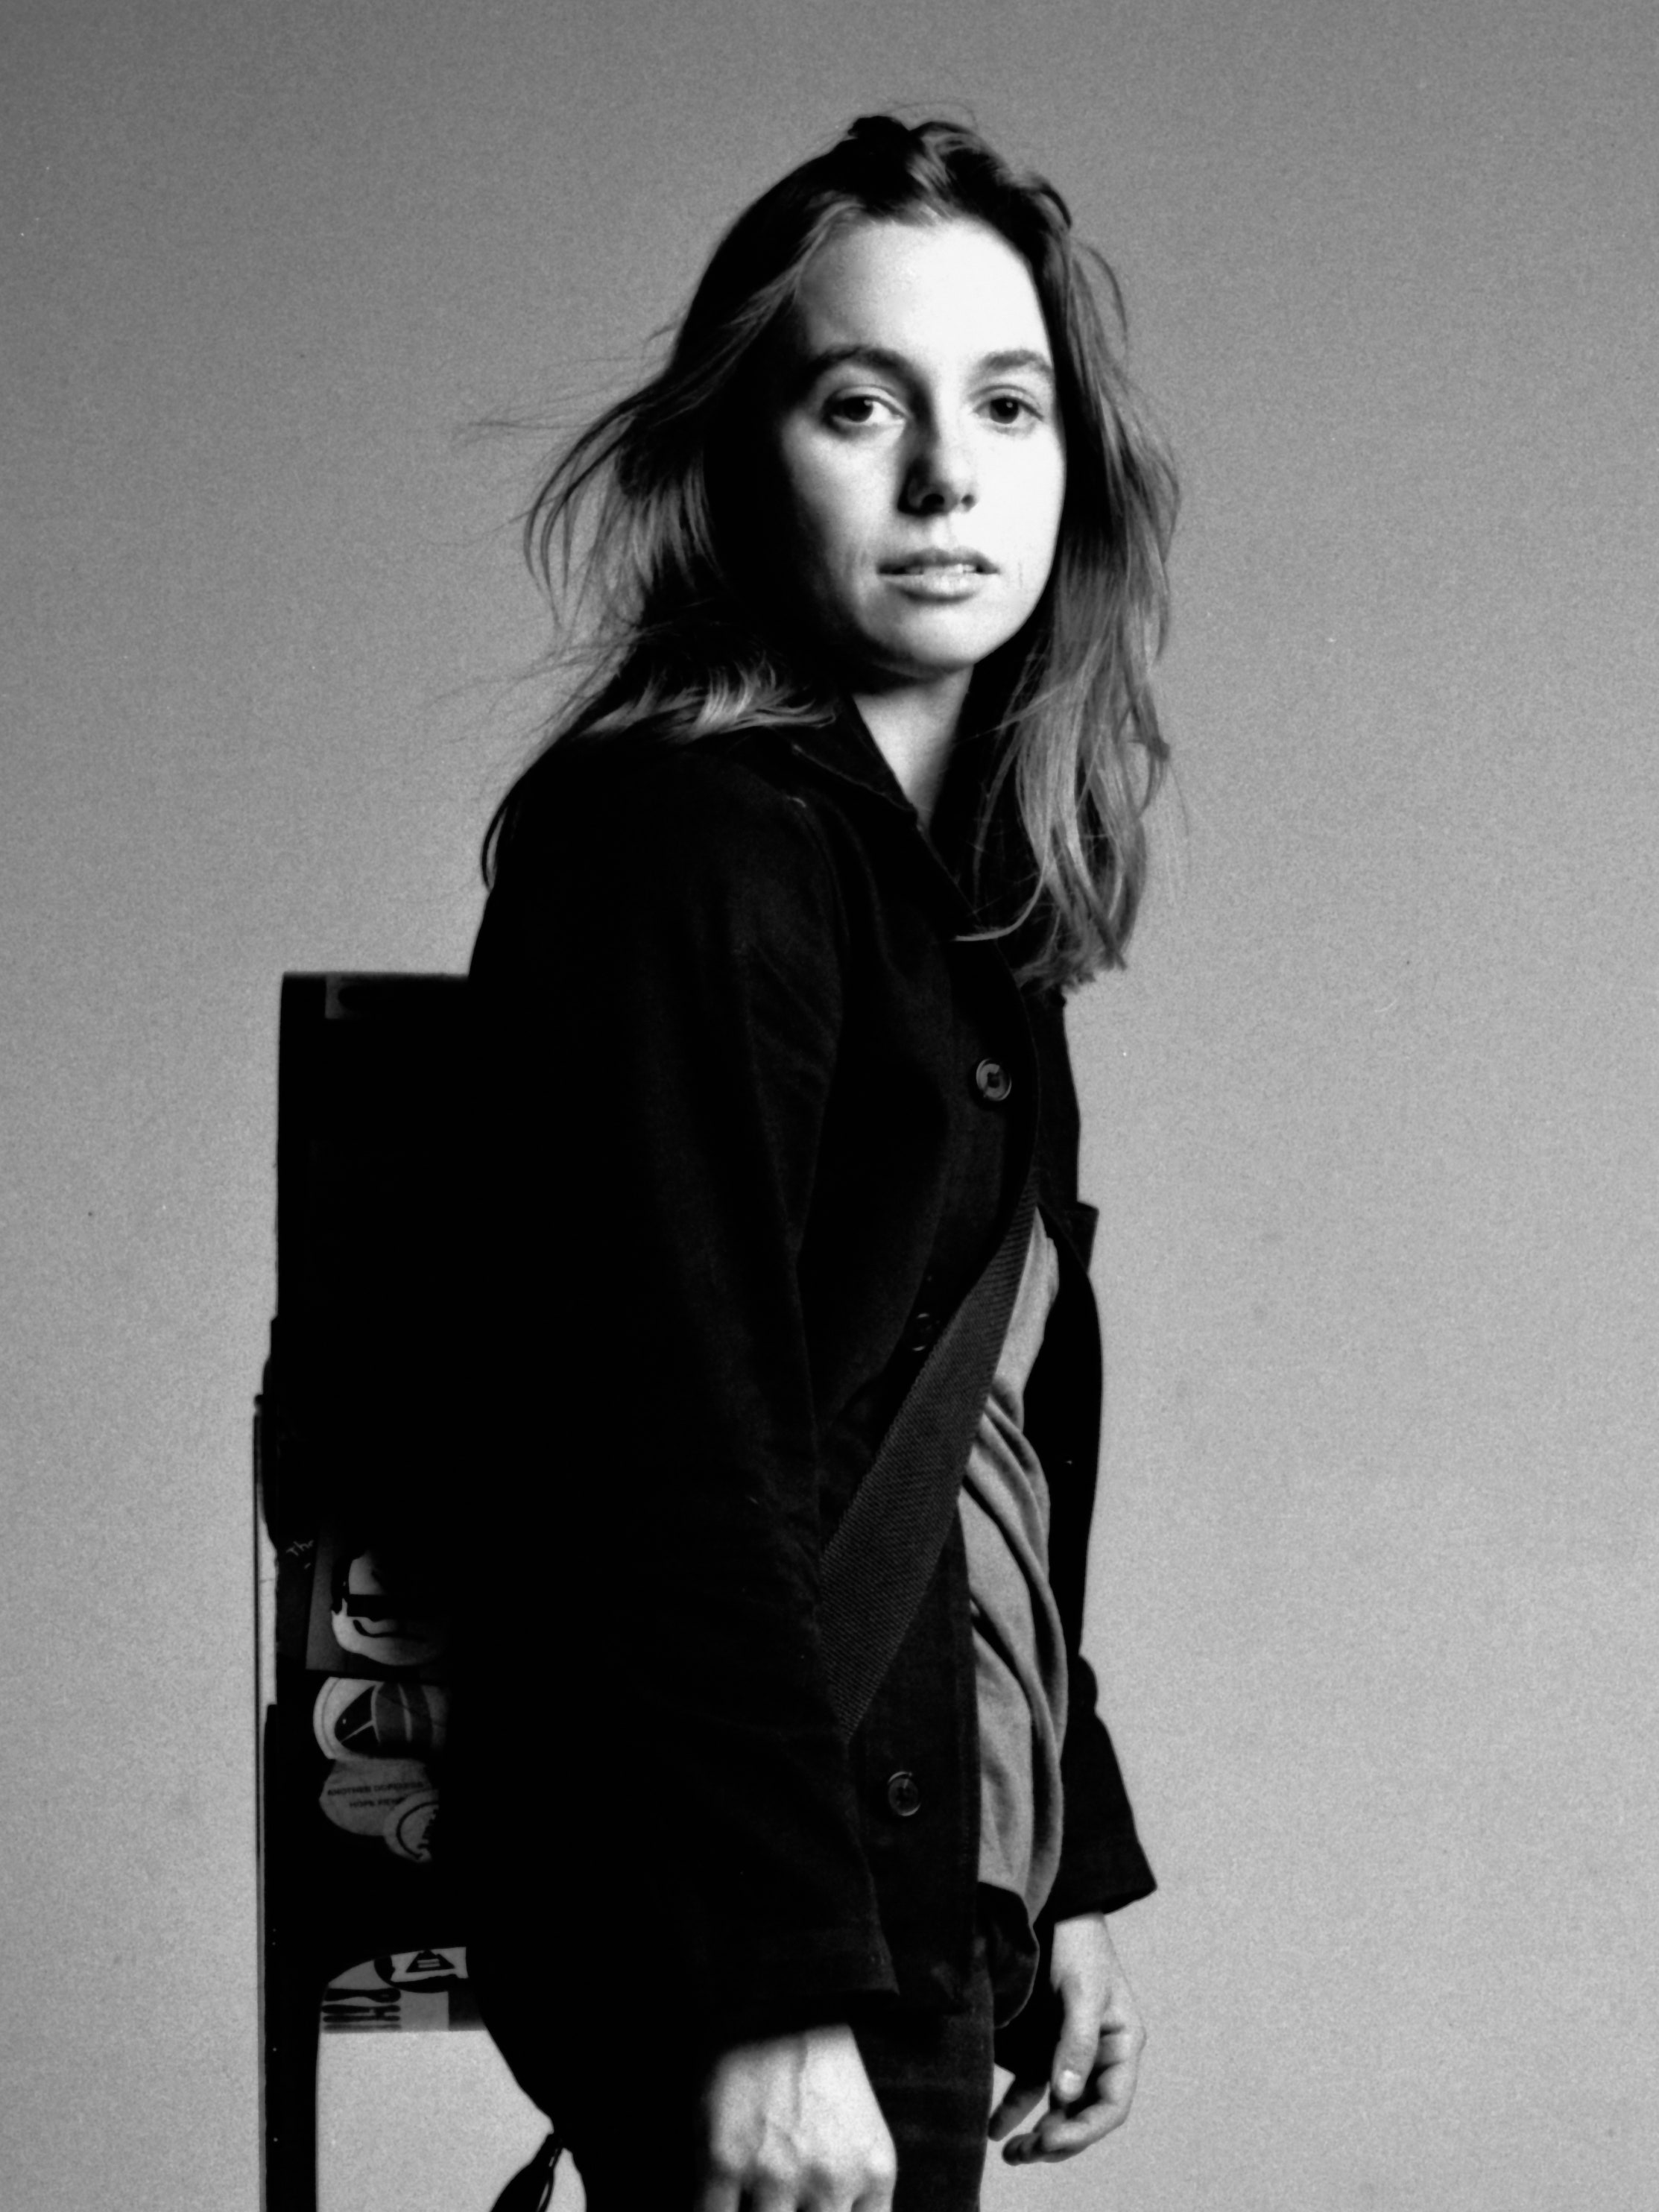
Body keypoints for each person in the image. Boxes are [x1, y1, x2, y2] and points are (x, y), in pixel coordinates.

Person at [451, 113, 1177, 2211]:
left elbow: (969, 1439)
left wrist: (1060, 1855)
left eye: (1007, 406)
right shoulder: (689, 851)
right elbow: (658, 1448)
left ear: (1073, 464)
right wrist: (765, 1996)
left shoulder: (965, 903)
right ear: (740, 458)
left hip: (912, 1884)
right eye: (862, 405)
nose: (948, 479)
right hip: (773, 1934)